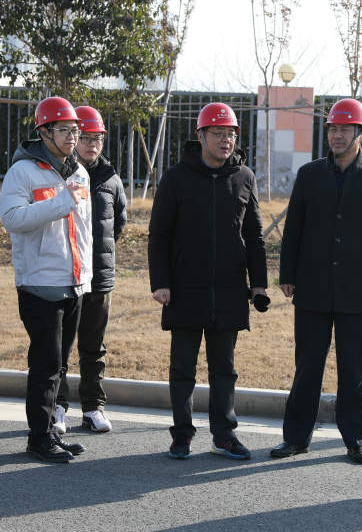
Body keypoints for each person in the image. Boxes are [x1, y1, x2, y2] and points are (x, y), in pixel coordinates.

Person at [270, 98, 362, 465]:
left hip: (359, 290)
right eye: (333, 129)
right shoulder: (310, 175)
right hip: (312, 287)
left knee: (356, 369)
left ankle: (357, 438)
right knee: (307, 367)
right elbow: (293, 229)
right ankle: (296, 438)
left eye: (345, 129)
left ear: (361, 134)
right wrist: (287, 274)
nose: (337, 135)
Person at [148, 102, 268, 460]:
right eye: (218, 133)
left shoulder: (244, 177)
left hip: (229, 288)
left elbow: (255, 235)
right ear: (200, 136)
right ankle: (182, 435)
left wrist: (259, 284)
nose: (225, 140)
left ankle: (224, 435)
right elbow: (159, 234)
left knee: (224, 369)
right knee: (182, 367)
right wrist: (160, 282)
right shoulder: (176, 178)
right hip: (185, 287)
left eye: (230, 134)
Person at [0, 96, 92, 463]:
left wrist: (87, 275)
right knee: (45, 364)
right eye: (64, 129)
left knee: (60, 364)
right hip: (40, 284)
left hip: (74, 282)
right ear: (44, 131)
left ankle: (51, 431)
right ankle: (38, 437)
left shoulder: (79, 172)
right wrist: (59, 203)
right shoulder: (23, 172)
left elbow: (83, 230)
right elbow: (12, 219)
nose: (72, 136)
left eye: (75, 130)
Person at [55, 105, 127, 434]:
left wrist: (98, 255)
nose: (91, 144)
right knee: (60, 346)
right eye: (85, 137)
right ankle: (57, 407)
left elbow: (117, 224)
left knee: (94, 346)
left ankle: (93, 408)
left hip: (99, 276)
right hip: (66, 275)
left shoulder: (111, 179)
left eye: (97, 138)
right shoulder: (60, 175)